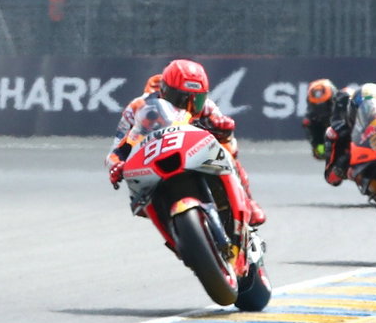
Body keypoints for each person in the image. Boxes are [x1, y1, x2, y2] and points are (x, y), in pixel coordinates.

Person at [105, 59, 265, 226]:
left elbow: (231, 146)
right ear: (164, 91)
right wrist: (116, 166)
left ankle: (247, 200)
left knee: (225, 150)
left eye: (196, 100)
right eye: (179, 100)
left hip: (194, 154)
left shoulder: (208, 107)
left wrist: (224, 130)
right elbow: (116, 150)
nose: (188, 106)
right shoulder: (137, 107)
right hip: (155, 159)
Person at [301, 77, 336, 160]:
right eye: (316, 105)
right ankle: (320, 149)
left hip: (334, 120)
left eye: (324, 103)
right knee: (310, 124)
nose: (320, 107)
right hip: (319, 124)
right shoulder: (311, 118)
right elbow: (309, 112)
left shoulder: (339, 104)